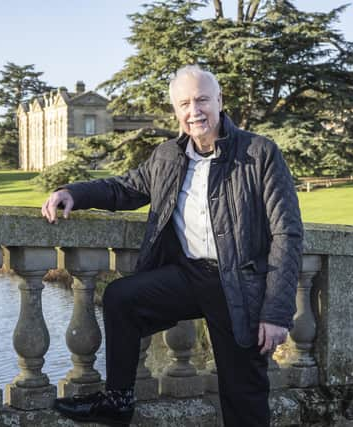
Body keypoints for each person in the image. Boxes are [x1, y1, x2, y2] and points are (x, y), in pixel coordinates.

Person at [42, 65, 303, 427]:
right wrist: (74, 193)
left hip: (240, 286)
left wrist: (276, 313)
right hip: (190, 276)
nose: (194, 111)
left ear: (219, 101)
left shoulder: (260, 154)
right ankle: (118, 400)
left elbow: (287, 235)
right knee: (121, 297)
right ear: (176, 111)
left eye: (201, 100)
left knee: (243, 396)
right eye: (184, 103)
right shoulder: (168, 155)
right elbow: (126, 188)